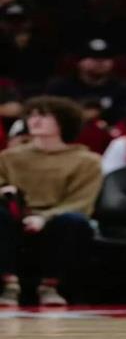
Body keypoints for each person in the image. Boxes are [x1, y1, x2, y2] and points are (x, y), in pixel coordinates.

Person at [0, 96, 102, 306]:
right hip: (15, 217)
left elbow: (81, 202)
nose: (35, 120)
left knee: (74, 220)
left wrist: (43, 218)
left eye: (44, 115)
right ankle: (8, 285)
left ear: (64, 121)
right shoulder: (8, 157)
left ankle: (50, 286)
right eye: (32, 115)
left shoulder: (88, 161)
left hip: (57, 218)